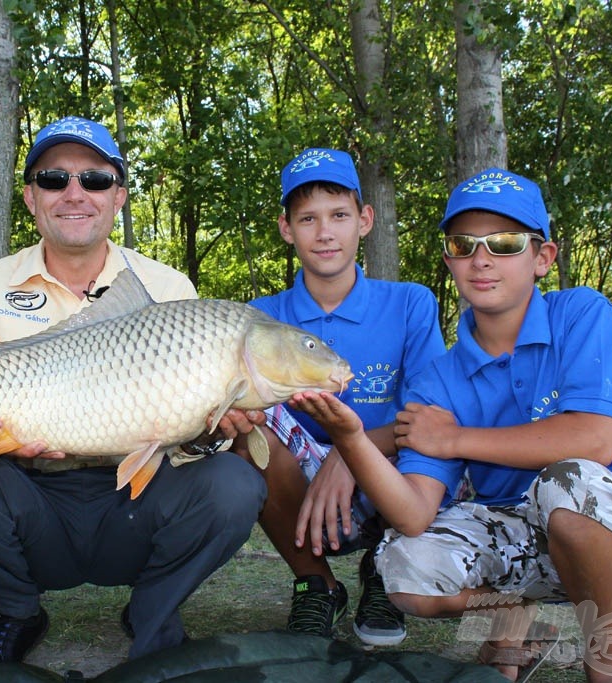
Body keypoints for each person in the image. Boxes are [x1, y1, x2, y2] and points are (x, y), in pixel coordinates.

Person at [0, 116, 268, 663]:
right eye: (54, 179)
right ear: (31, 197)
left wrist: (209, 433)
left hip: (132, 499)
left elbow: (192, 442)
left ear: (118, 196)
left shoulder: (168, 288)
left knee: (234, 484)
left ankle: (153, 614)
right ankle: (13, 611)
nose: (74, 193)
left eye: (95, 180)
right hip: (26, 494)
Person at [289, 168, 612, 682]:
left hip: (610, 531)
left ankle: (608, 655)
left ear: (543, 258)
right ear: (449, 260)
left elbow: (596, 440)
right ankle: (509, 614)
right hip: (507, 533)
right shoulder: (439, 380)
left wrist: (457, 438)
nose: (481, 259)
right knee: (401, 565)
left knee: (568, 485)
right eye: (464, 244)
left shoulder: (580, 314)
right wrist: (352, 440)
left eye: (504, 243)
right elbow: (415, 514)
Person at [242, 148, 445, 646]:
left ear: (365, 219)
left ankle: (385, 572)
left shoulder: (410, 303)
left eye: (339, 215)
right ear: (287, 229)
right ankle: (316, 584)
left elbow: (430, 414)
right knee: (244, 428)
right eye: (308, 219)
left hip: (387, 462)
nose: (325, 232)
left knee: (444, 441)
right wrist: (331, 457)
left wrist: (351, 456)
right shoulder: (259, 316)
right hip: (304, 476)